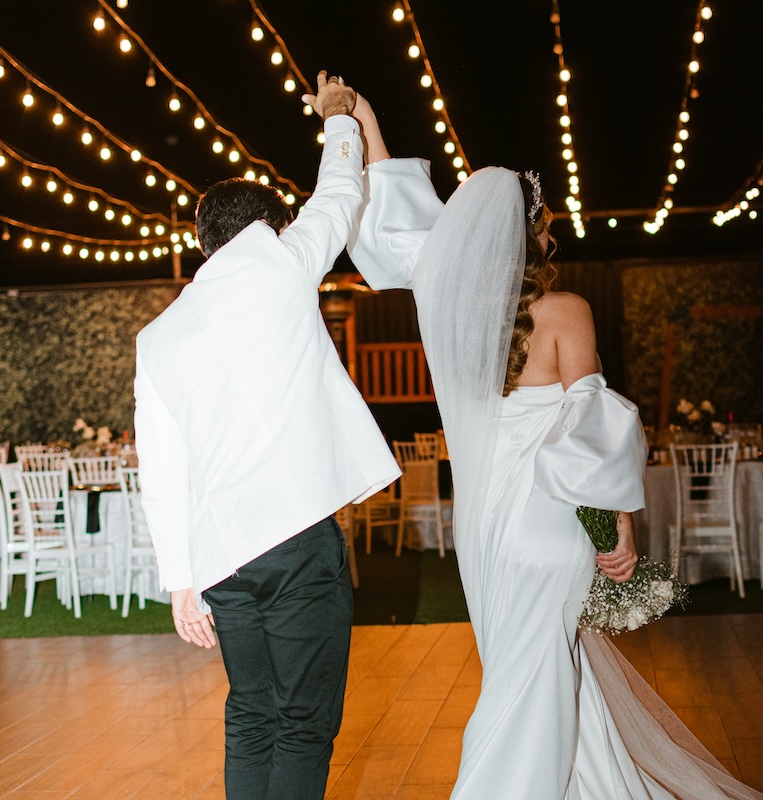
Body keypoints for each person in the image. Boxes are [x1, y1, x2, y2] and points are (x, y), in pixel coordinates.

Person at [347, 97, 762, 799]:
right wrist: (618, 522)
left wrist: (364, 124)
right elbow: (589, 430)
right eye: (542, 226)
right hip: (547, 526)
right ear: (529, 236)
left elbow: (403, 226)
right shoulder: (566, 311)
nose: (551, 237)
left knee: (523, 671)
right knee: (535, 674)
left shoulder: (451, 316)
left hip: (481, 533)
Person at [133, 72, 400, 800]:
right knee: (304, 721)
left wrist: (180, 583)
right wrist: (338, 117)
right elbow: (340, 196)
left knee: (250, 715)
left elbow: (158, 469)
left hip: (221, 556)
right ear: (266, 228)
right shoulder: (279, 263)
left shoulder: (157, 338)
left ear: (202, 239)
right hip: (294, 543)